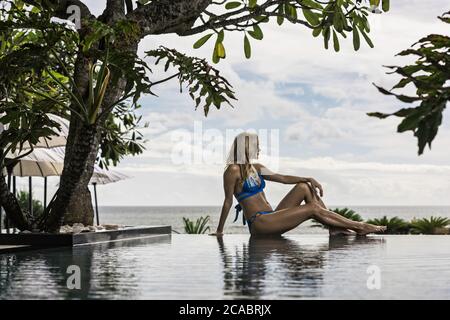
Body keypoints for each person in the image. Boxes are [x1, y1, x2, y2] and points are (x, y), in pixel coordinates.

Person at [210, 132, 386, 236]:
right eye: (257, 145)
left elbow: (283, 178)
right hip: (260, 223)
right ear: (246, 147)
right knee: (312, 208)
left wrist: (308, 178)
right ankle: (360, 226)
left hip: (271, 216)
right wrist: (219, 231)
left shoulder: (257, 167)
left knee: (303, 187)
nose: (260, 149)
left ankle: (334, 229)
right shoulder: (232, 171)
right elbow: (227, 201)